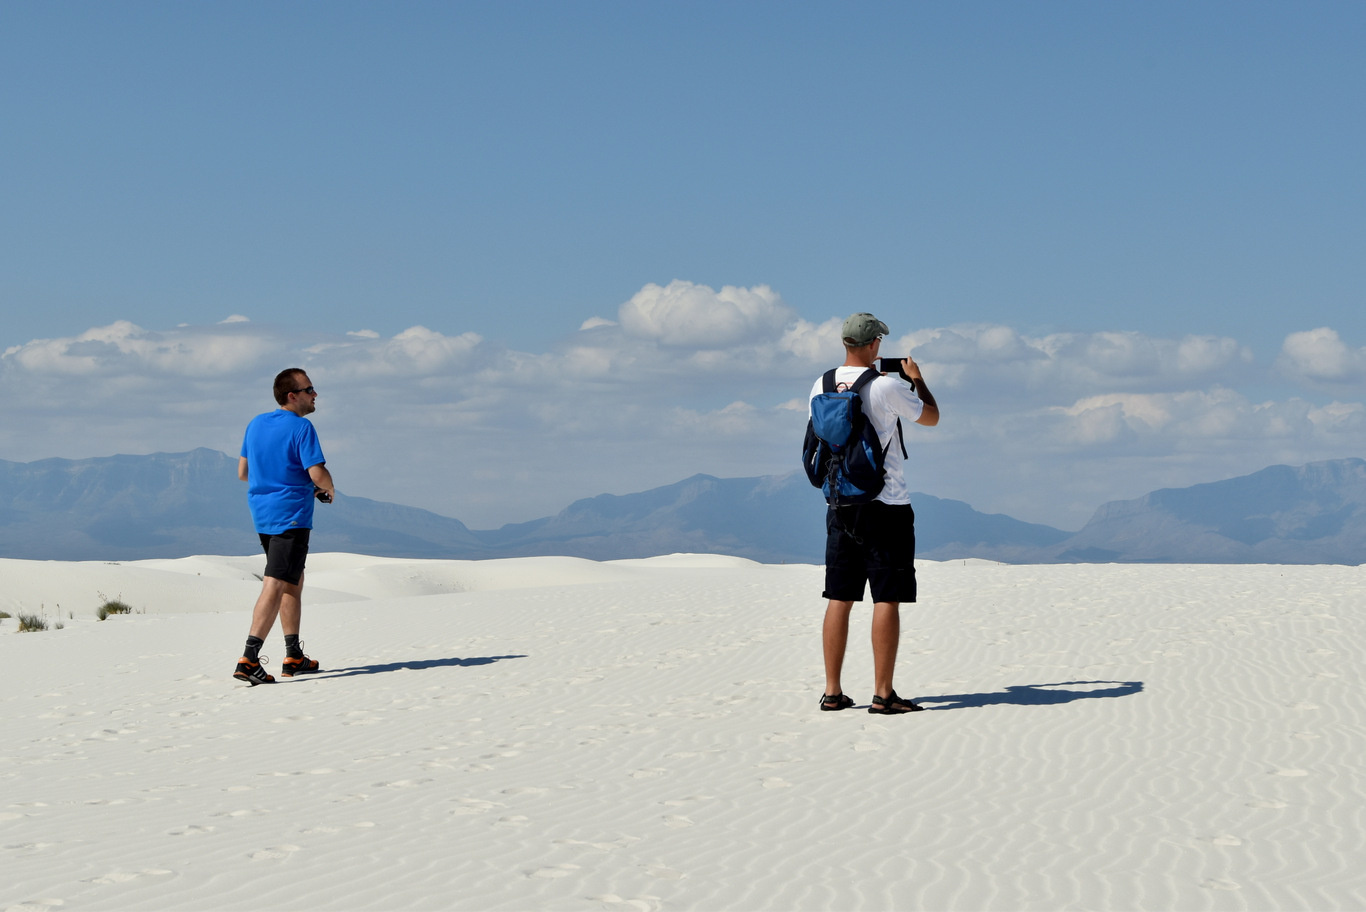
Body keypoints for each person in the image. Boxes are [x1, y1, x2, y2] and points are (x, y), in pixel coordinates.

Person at [814, 313, 939, 714]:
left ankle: (832, 692)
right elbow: (931, 416)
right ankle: (883, 694)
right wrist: (916, 379)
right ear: (873, 345)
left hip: (841, 503)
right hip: (886, 506)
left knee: (839, 596)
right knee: (887, 597)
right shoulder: (885, 386)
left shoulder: (822, 383)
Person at [232, 368, 335, 685]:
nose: (315, 394)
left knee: (292, 578)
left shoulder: (256, 424)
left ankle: (293, 655)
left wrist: (279, 482)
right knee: (276, 581)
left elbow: (243, 472)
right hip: (291, 515)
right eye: (309, 389)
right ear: (293, 396)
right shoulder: (302, 427)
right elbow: (317, 473)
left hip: (262, 513)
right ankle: (249, 658)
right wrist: (328, 489)